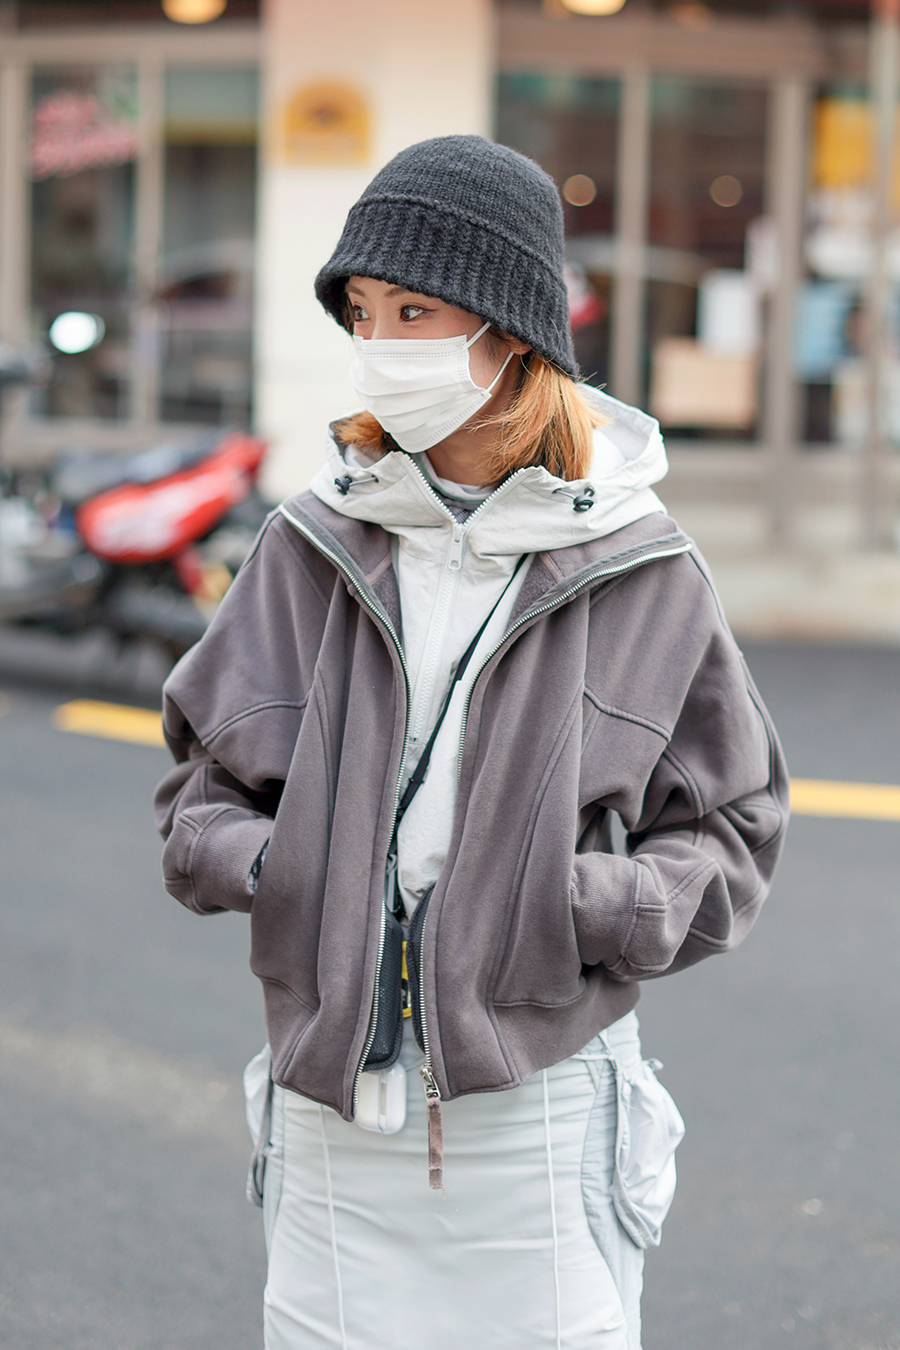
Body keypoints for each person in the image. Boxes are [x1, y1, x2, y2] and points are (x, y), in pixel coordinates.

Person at [154, 135, 789, 1350]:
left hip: (540, 1120)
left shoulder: (639, 565)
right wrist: (281, 869)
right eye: (363, 312)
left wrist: (567, 906)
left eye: (415, 312)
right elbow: (199, 790)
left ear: (510, 332)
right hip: (330, 1118)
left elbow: (733, 829)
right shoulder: (309, 544)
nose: (381, 345)